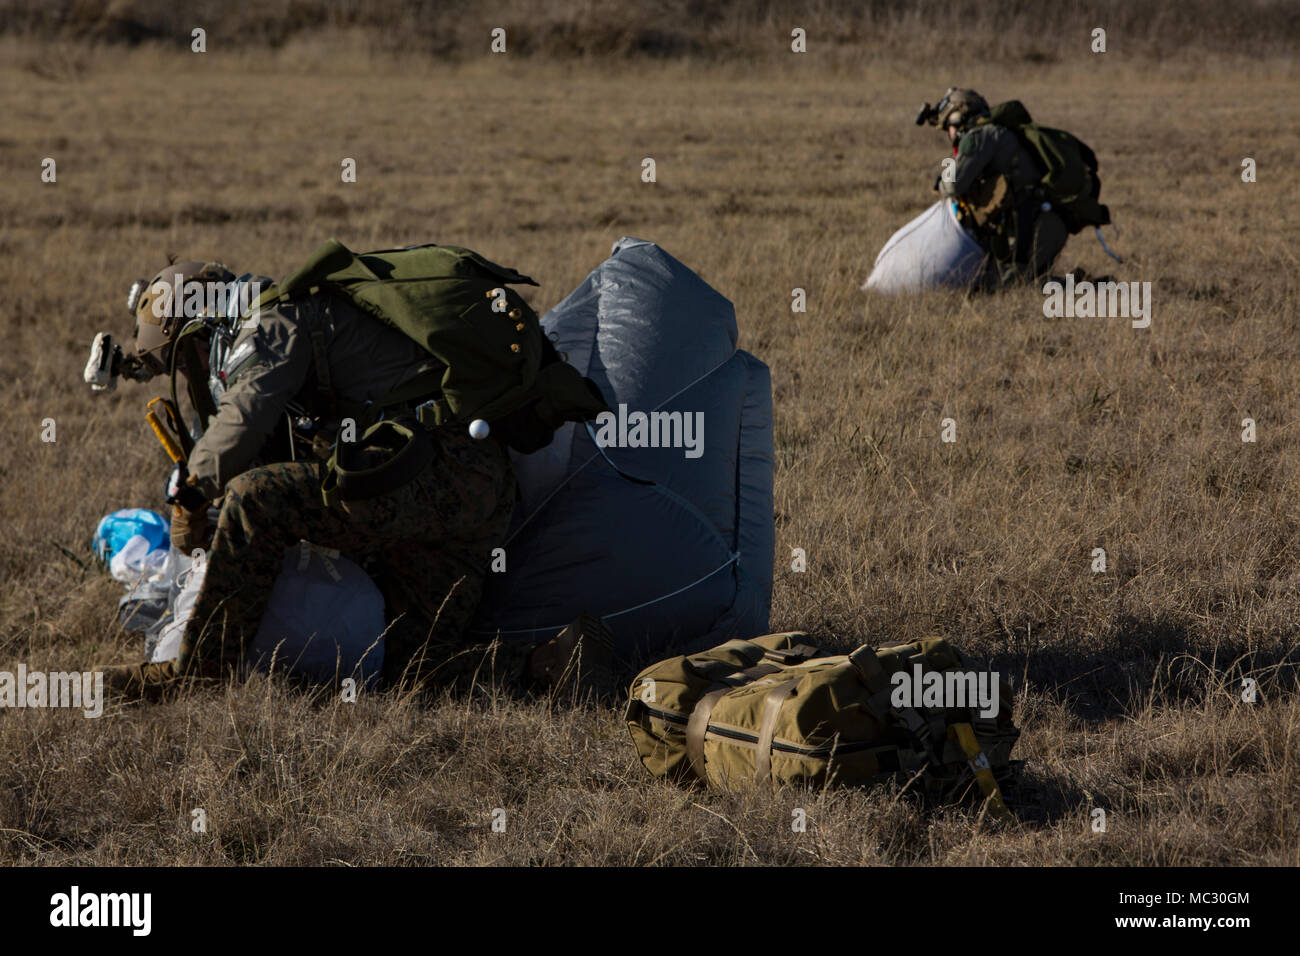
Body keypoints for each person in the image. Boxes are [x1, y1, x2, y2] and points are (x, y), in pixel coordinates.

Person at [102, 257, 529, 696]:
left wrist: (191, 497)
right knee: (406, 670)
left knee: (255, 499)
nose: (190, 376)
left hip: (438, 470)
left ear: (200, 329)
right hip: (461, 481)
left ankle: (195, 672)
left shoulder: (269, 321)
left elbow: (243, 419)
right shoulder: (292, 325)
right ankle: (556, 661)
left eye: (185, 362)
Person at [921, 87, 1069, 289]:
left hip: (1039, 227)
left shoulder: (978, 138)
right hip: (1040, 225)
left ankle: (1092, 286)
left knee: (1003, 286)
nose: (950, 133)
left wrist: (941, 181)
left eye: (949, 127)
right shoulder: (993, 134)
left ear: (958, 119)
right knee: (1004, 281)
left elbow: (954, 184)